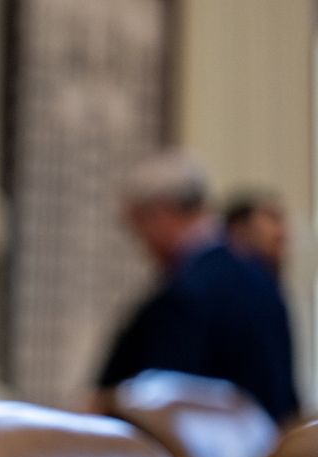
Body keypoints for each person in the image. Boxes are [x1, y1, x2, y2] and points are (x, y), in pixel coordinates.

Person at [97, 151, 298, 424]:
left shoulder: (186, 293)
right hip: (266, 456)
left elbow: (159, 406)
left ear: (161, 213)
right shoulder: (260, 279)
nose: (140, 243)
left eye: (137, 225)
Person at [224, 191, 288, 278]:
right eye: (273, 218)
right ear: (241, 227)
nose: (282, 232)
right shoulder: (221, 274)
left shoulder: (265, 272)